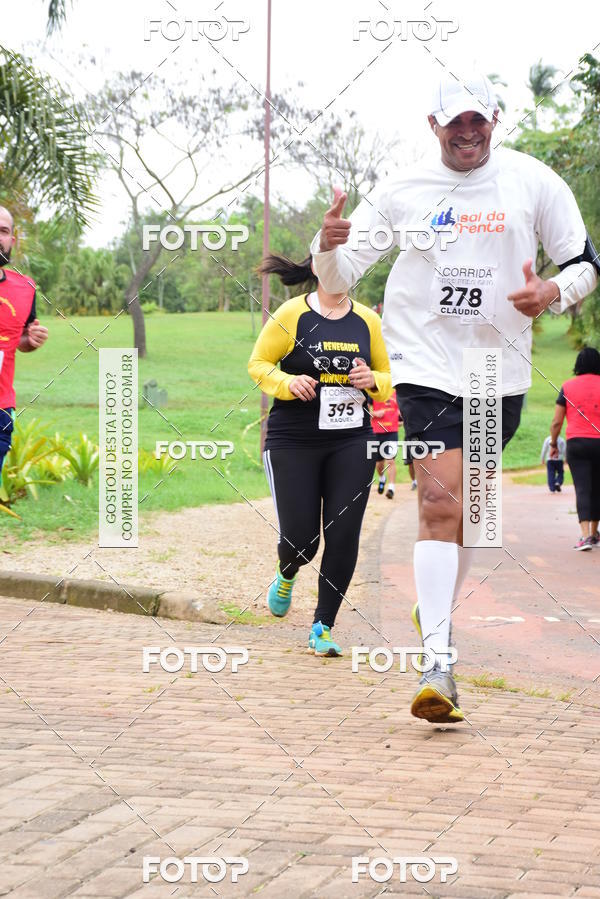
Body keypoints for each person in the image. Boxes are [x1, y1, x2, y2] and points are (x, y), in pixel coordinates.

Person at [310, 71, 599, 722]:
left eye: (478, 120)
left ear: (495, 119)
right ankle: (437, 658)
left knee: (472, 513)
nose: (468, 132)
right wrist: (324, 250)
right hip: (424, 364)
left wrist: (554, 292)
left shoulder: (534, 181)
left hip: (499, 371)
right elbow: (342, 275)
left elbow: (585, 262)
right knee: (439, 501)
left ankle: (432, 607)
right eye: (454, 122)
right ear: (433, 126)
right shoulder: (404, 189)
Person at [248, 253, 392, 656]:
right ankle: (287, 570)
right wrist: (287, 382)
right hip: (294, 439)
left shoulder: (369, 321)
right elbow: (258, 364)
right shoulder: (292, 314)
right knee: (302, 541)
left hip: (351, 440)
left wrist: (374, 380)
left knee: (343, 534)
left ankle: (322, 626)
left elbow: (390, 376)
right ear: (318, 270)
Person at [0, 207, 48, 474]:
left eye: (4, 231)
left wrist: (31, 340)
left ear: (12, 241)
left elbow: (16, 340)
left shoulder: (25, 288)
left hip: (1, 408)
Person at [549, 347, 600, 550]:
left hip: (577, 443)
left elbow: (556, 422)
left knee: (583, 489)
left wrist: (553, 443)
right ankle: (595, 534)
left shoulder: (568, 387)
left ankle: (585, 535)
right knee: (597, 488)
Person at [371, 394, 399, 498]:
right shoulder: (373, 391)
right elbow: (364, 411)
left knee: (390, 459)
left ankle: (391, 488)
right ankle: (382, 478)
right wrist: (374, 413)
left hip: (391, 432)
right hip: (377, 432)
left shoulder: (397, 392)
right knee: (379, 463)